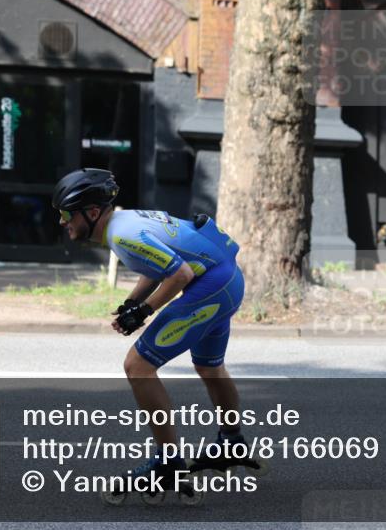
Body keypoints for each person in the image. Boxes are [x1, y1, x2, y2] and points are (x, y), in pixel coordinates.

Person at [52, 168, 256, 504]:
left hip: (208, 287)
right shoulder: (125, 222)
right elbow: (160, 266)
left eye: (65, 215)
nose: (62, 222)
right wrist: (132, 303)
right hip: (228, 280)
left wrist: (144, 311)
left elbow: (180, 274)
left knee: (138, 366)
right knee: (209, 366)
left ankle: (169, 462)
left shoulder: (122, 237)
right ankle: (232, 441)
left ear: (91, 213)